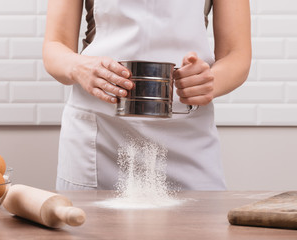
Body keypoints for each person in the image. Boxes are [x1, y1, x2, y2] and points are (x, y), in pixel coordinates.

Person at [43, 0, 251, 191]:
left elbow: (237, 55)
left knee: (199, 229)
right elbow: (54, 46)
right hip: (100, 135)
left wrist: (209, 81)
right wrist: (79, 67)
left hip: (185, 135)